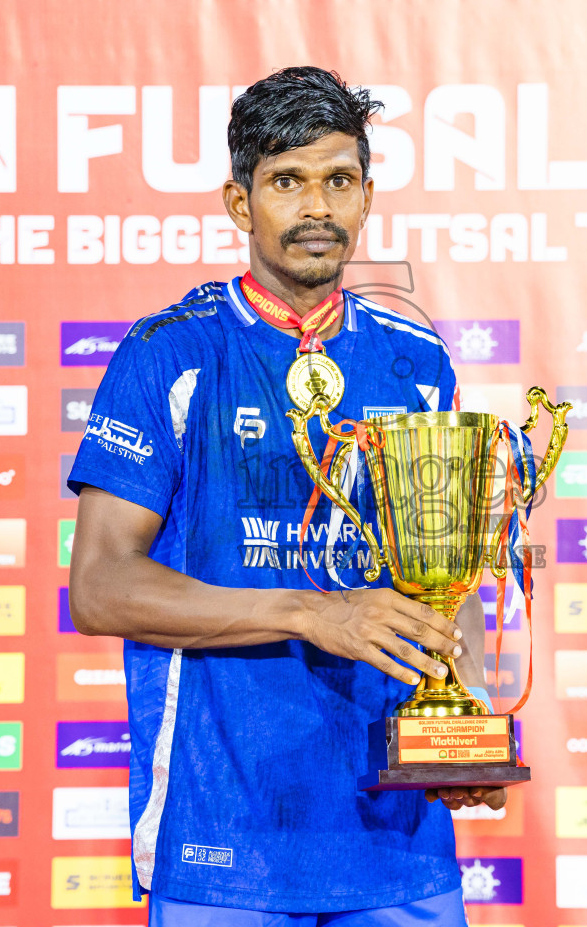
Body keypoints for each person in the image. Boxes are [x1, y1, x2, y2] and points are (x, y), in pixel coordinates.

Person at [67, 66, 505, 927]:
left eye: (338, 181)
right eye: (287, 182)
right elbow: (100, 586)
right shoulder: (171, 353)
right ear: (240, 203)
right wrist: (311, 613)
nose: (316, 207)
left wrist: (466, 716)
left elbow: (444, 577)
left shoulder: (417, 362)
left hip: (394, 832)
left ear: (366, 197)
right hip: (224, 835)